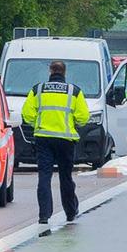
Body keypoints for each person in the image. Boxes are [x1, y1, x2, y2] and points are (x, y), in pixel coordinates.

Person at [21, 60, 88, 229]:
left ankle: (44, 216)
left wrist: (39, 123)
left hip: (43, 138)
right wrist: (71, 123)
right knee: (66, 177)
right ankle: (70, 212)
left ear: (50, 71)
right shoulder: (74, 91)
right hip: (66, 140)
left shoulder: (38, 89)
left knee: (44, 177)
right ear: (64, 73)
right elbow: (83, 117)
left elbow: (26, 115)